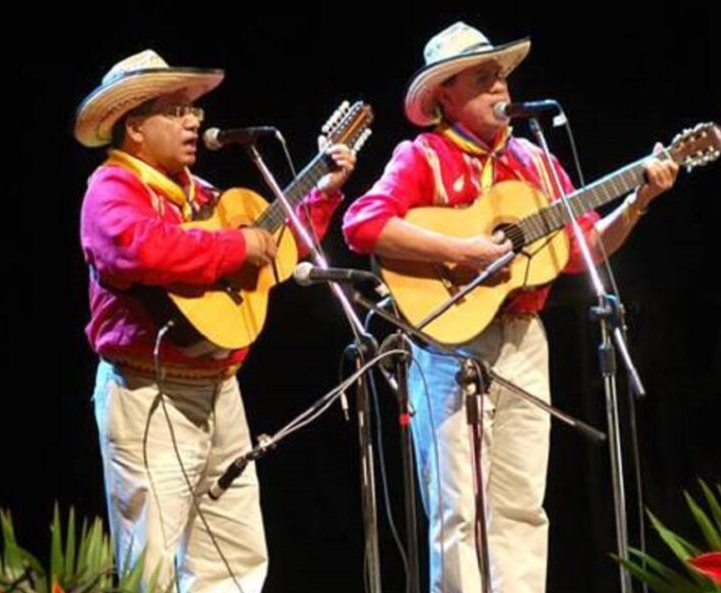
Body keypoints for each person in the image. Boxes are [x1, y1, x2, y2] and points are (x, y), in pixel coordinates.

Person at [342, 22, 679, 593]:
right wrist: (461, 250)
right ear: (445, 95)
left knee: (522, 501)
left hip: (524, 333)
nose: (501, 89)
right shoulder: (422, 156)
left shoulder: (536, 161)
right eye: (483, 79)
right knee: (456, 506)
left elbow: (583, 250)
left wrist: (639, 200)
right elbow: (363, 224)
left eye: (500, 77)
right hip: (447, 342)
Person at [74, 49, 355, 593]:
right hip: (147, 393)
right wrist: (232, 247)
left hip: (220, 389)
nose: (194, 120)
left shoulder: (203, 195)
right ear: (134, 127)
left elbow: (276, 251)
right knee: (149, 562)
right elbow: (137, 249)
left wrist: (321, 196)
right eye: (176, 110)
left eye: (193, 110)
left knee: (233, 553)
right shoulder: (112, 188)